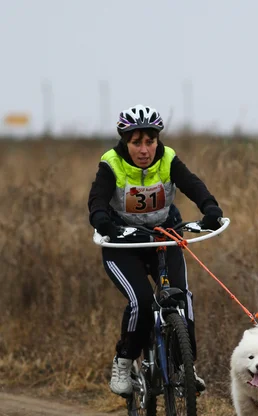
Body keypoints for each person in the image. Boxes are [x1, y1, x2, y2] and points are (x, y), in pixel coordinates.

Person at [88, 104, 223, 396]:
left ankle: (186, 367)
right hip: (123, 243)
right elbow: (97, 198)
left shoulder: (168, 159)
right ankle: (124, 361)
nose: (144, 149)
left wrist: (210, 208)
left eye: (150, 141)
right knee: (142, 301)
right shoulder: (111, 163)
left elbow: (193, 185)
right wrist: (101, 219)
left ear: (157, 141)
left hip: (163, 236)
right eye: (137, 142)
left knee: (182, 297)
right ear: (126, 142)